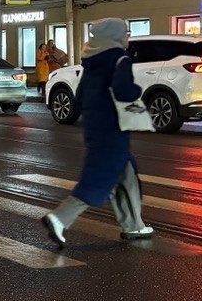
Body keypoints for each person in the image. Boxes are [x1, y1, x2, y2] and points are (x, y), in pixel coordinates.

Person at [42, 19, 152, 247]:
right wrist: (138, 90)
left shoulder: (92, 62)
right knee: (99, 176)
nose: (127, 37)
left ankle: (134, 225)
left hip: (94, 125)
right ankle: (60, 218)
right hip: (113, 127)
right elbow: (123, 91)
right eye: (125, 33)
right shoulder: (119, 59)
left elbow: (80, 98)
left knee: (126, 174)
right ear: (115, 36)